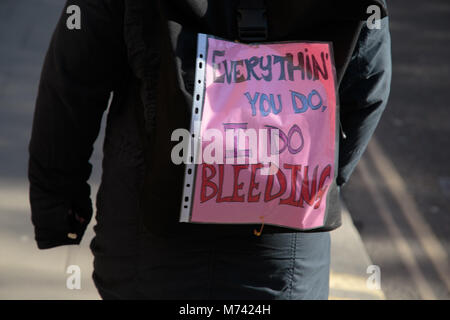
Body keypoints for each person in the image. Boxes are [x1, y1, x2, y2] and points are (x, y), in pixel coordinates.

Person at [28, 0, 391, 299]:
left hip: (147, 247)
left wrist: (58, 208)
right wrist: (317, 181)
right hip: (281, 258)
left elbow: (71, 86)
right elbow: (369, 88)